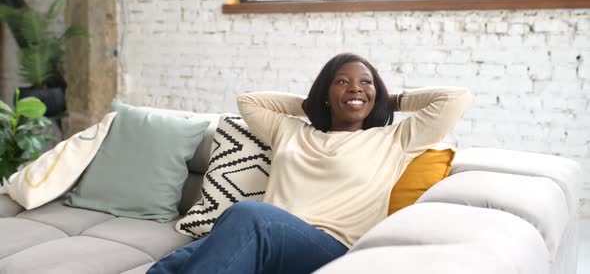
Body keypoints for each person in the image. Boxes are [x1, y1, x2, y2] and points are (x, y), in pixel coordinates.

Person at [148, 53, 472, 274]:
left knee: (248, 215)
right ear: (326, 93)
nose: (356, 87)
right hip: (265, 236)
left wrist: (390, 99)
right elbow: (249, 101)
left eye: (365, 82)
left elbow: (455, 98)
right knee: (168, 266)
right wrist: (313, 105)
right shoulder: (289, 130)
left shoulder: (394, 140)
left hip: (328, 248)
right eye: (343, 82)